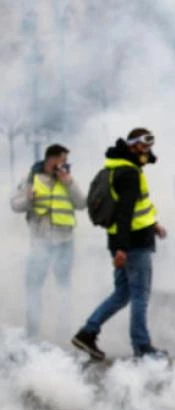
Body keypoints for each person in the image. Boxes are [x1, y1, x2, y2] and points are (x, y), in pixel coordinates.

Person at [71, 128, 168, 360]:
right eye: (143, 147)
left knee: (122, 294)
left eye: (149, 147)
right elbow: (125, 213)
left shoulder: (117, 166)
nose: (147, 152)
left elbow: (135, 208)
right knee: (139, 297)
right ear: (132, 146)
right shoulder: (129, 173)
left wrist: (153, 224)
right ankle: (142, 347)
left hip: (122, 240)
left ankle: (87, 333)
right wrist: (123, 249)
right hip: (133, 243)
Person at [9, 144, 86, 338]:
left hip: (65, 242)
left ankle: (64, 330)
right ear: (50, 159)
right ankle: (32, 330)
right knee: (33, 286)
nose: (65, 164)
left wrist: (68, 183)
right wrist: (28, 199)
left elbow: (82, 203)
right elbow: (15, 205)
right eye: (62, 160)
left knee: (64, 288)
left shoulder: (67, 180)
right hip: (40, 243)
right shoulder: (31, 178)